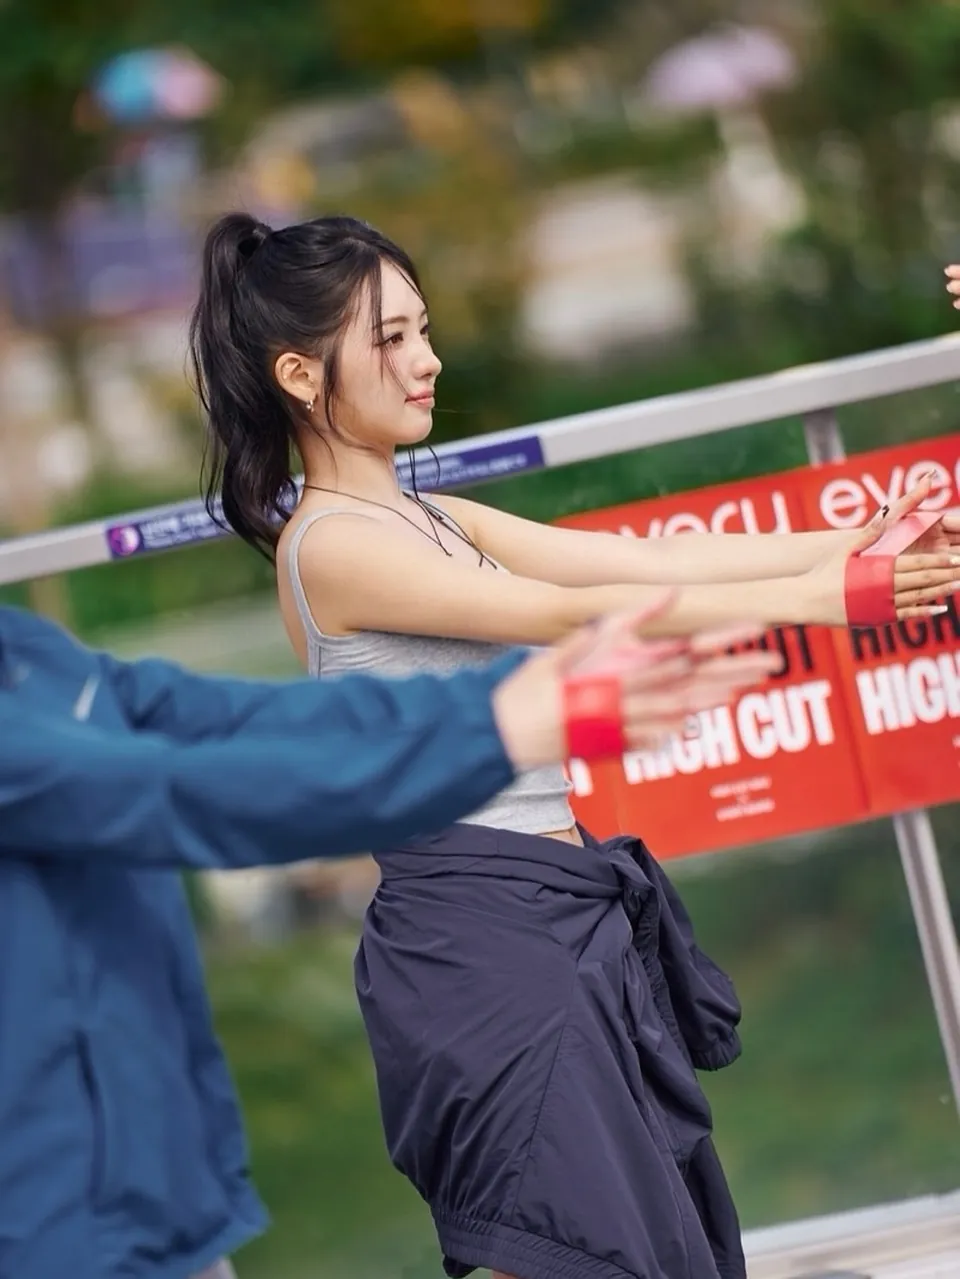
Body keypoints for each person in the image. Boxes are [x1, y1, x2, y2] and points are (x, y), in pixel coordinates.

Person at [191, 211, 960, 1279]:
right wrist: (827, 596)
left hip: (557, 922)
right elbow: (569, 614)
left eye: (423, 331)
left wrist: (865, 540)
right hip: (482, 951)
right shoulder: (329, 548)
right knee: (571, 1250)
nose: (428, 360)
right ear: (299, 374)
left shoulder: (434, 517)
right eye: (392, 339)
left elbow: (635, 565)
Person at [0, 591, 772, 1279]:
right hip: (46, 1225)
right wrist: (499, 728)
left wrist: (510, 692)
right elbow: (177, 791)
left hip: (159, 1198)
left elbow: (249, 722)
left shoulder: (29, 655)